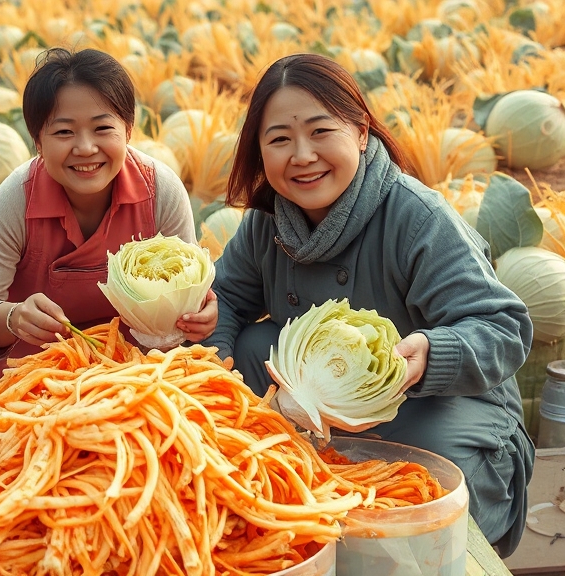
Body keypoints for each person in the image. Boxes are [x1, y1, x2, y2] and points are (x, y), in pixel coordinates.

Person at [205, 53, 534, 555]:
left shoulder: (416, 217)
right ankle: (285, 504)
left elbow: (503, 327)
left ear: (361, 132)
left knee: (431, 469)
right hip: (326, 397)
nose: (302, 155)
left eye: (320, 132)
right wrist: (212, 363)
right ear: (259, 151)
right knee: (248, 347)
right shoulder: (268, 220)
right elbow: (227, 297)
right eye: (279, 140)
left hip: (433, 403)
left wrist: (431, 353)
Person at [0, 47, 218, 404]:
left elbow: (190, 290)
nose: (85, 148)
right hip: (24, 387)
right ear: (38, 142)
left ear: (127, 130)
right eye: (64, 132)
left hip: (136, 383)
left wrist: (198, 315)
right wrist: (13, 318)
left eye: (102, 128)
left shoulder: (161, 191)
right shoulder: (16, 199)